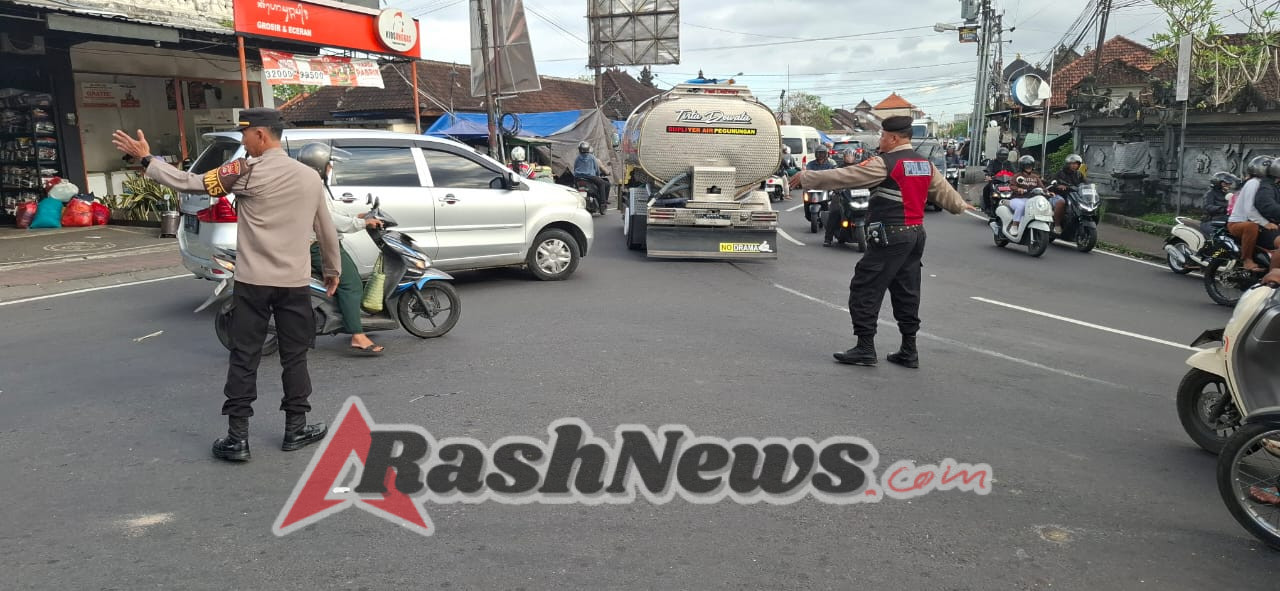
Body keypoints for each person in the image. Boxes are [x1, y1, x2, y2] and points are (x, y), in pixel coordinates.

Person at [112, 109, 342, 463]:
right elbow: (325, 227)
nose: (243, 141)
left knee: (245, 356)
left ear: (261, 136)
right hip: (294, 284)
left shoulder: (244, 172)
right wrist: (331, 268)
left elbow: (190, 183)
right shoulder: (309, 177)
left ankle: (238, 439)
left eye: (245, 135)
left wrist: (147, 159)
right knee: (295, 357)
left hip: (252, 283)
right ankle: (296, 429)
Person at [790, 116, 976, 368]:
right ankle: (908, 349)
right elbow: (947, 196)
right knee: (907, 291)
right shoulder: (924, 165)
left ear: (894, 138)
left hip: (891, 233)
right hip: (916, 234)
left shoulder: (885, 163)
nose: (880, 140)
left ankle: (865, 348)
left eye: (883, 136)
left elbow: (847, 176)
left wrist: (807, 177)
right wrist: (960, 206)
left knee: (865, 286)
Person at [296, 143, 387, 355]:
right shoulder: (313, 186)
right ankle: (357, 335)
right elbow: (328, 220)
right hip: (320, 245)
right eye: (329, 164)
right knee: (351, 284)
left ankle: (347, 316)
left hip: (315, 241)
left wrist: (357, 217)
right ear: (319, 165)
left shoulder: (307, 183)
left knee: (350, 280)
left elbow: (330, 213)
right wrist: (363, 224)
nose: (330, 168)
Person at [1228, 156, 1279, 272]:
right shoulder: (1253, 183)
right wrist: (1266, 223)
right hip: (1238, 222)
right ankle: (1247, 259)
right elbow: (1249, 209)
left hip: (1254, 220)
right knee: (1251, 226)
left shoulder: (1267, 185)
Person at [823, 149, 860, 247]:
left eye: (851, 156)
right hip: (842, 195)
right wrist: (835, 189)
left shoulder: (860, 168)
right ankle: (828, 238)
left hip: (858, 195)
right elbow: (833, 180)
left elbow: (867, 179)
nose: (849, 158)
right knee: (834, 211)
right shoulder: (839, 169)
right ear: (843, 157)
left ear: (855, 157)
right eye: (847, 156)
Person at [1048, 153, 1087, 233]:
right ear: (1068, 164)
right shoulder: (1060, 173)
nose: (1074, 166)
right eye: (1072, 163)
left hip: (1074, 196)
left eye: (1076, 164)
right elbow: (1051, 183)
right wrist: (1058, 186)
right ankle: (1057, 225)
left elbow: (1085, 184)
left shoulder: (1079, 174)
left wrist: (1090, 188)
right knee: (1061, 202)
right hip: (1060, 195)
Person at [1007, 155, 1044, 234]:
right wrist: (1018, 189)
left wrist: (1048, 192)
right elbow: (1011, 186)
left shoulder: (1035, 177)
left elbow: (1042, 187)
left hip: (1031, 200)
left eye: (1030, 165)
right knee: (1021, 206)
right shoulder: (1017, 176)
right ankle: (1014, 225)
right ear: (1022, 166)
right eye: (1026, 166)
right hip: (1017, 199)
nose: (1029, 167)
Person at [1200, 171, 1240, 237]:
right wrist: (1222, 209)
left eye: (1229, 184)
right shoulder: (1210, 193)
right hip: (1210, 221)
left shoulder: (1227, 194)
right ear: (1218, 183)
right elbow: (1208, 207)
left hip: (1223, 220)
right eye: (1225, 183)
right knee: (1218, 237)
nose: (1228, 185)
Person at [573, 141, 610, 211]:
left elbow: (575, 168)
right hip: (590, 177)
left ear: (580, 149)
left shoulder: (577, 158)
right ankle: (603, 204)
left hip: (578, 177)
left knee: (574, 187)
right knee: (602, 183)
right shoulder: (592, 157)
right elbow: (596, 169)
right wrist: (598, 175)